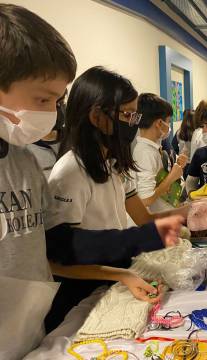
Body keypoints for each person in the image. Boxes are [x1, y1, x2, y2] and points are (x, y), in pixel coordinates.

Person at [45, 67, 184, 331]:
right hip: (85, 289)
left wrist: (186, 214)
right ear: (97, 116)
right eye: (129, 115)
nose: (133, 123)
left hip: (116, 273)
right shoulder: (70, 173)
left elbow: (143, 219)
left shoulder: (114, 164)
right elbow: (58, 260)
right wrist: (120, 273)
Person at [0, 5, 77, 357]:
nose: (51, 113)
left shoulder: (26, 160)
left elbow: (49, 248)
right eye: (43, 99)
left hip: (29, 337)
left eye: (57, 101)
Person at [133, 93, 188, 213]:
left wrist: (177, 165)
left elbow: (159, 179)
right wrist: (172, 176)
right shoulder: (144, 153)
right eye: (168, 121)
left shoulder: (154, 148)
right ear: (159, 123)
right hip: (155, 221)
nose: (169, 126)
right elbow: (145, 199)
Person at [27, 91, 67, 178]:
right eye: (47, 102)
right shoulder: (20, 149)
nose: (57, 109)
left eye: (61, 102)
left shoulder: (73, 140)